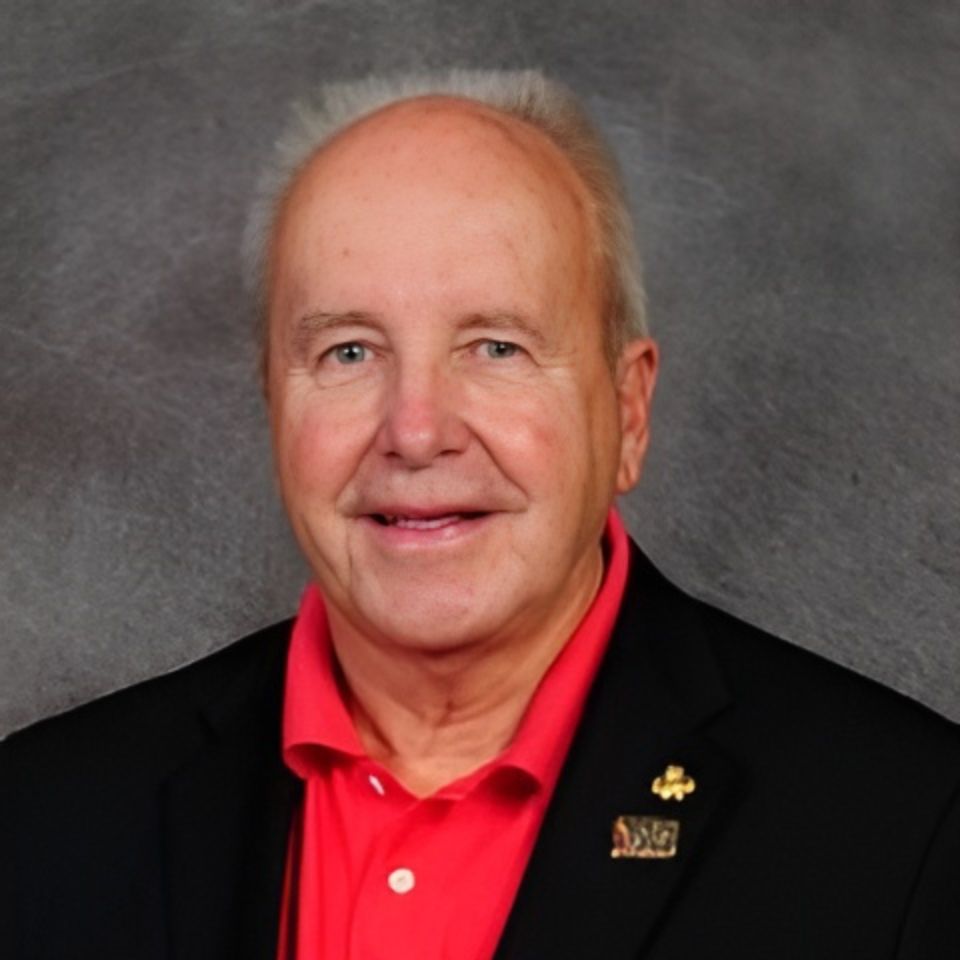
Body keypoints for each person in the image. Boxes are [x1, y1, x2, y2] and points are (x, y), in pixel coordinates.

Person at [2, 69, 959, 960]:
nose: (415, 432)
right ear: (271, 403)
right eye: (347, 352)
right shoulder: (40, 823)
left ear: (628, 412)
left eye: (496, 347)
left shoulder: (906, 830)